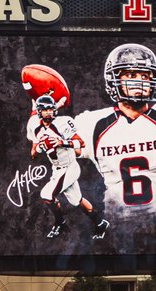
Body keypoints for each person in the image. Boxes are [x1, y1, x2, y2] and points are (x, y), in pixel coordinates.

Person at [72, 43, 156, 219]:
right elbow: (58, 154)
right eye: (131, 75)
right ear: (113, 79)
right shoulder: (92, 124)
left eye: (145, 76)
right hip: (117, 225)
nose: (139, 81)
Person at [27, 94, 109, 240]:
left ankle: (60, 223)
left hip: (69, 167)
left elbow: (81, 143)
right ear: (39, 111)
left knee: (46, 195)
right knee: (77, 200)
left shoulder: (64, 122)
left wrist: (62, 142)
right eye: (45, 110)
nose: (49, 112)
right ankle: (100, 223)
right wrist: (39, 148)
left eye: (51, 109)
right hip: (56, 169)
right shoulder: (34, 125)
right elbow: (33, 153)